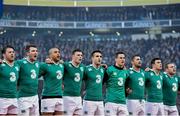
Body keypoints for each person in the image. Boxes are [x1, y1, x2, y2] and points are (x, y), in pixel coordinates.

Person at [17, 44, 40, 116]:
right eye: (33, 51)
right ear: (27, 53)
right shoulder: (20, 63)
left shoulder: (38, 64)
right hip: (23, 98)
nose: (35, 52)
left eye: (36, 51)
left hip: (35, 97)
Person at [40, 48, 64, 115]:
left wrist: (62, 83)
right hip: (48, 97)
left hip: (60, 96)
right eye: (55, 52)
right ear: (50, 55)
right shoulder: (45, 65)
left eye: (59, 52)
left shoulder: (62, 65)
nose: (58, 54)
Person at [104, 52, 129, 116]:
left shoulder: (125, 72)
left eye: (124, 58)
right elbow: (101, 82)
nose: (122, 59)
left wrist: (127, 91)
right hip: (111, 102)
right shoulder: (109, 70)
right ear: (116, 59)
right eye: (120, 58)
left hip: (122, 102)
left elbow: (126, 86)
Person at [63, 49, 85, 115]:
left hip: (78, 97)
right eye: (78, 55)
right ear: (72, 56)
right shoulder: (66, 65)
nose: (80, 57)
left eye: (81, 55)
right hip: (67, 97)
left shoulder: (83, 67)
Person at [83, 50, 105, 115]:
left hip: (100, 100)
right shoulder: (86, 69)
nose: (99, 58)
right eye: (97, 56)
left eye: (101, 56)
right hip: (89, 100)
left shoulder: (103, 70)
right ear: (92, 58)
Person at [0, 45, 20, 115]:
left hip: (14, 97)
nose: (12, 54)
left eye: (13, 52)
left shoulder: (17, 65)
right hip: (2, 98)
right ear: (4, 55)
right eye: (9, 52)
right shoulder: (1, 65)